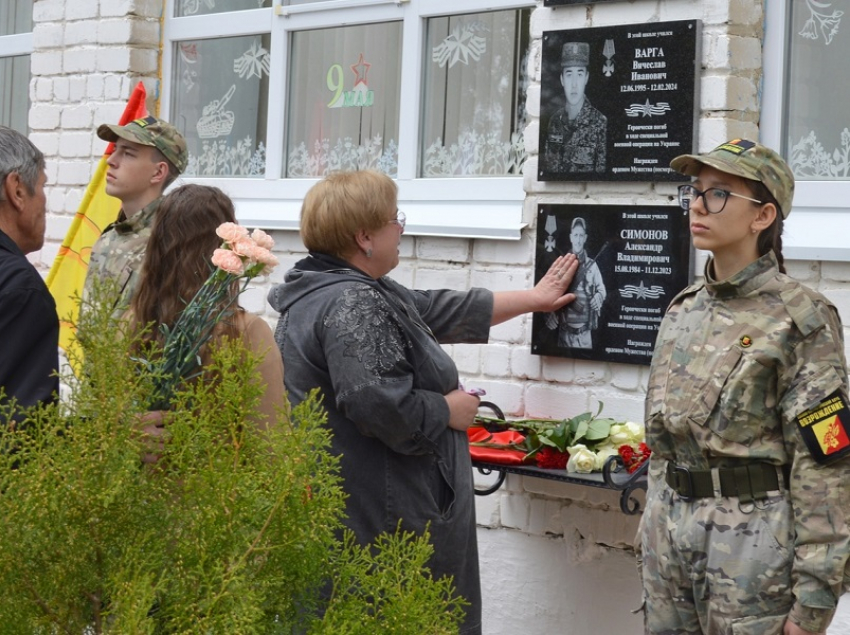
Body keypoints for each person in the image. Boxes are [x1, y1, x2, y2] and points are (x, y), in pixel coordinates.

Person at [268, 169, 578, 634]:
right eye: (396, 220)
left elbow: (436, 308)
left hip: (367, 509)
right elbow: (381, 406)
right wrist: (448, 411)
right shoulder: (352, 303)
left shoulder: (344, 288)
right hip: (384, 520)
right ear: (364, 237)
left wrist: (535, 299)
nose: (402, 228)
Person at [638, 139, 850, 635]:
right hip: (669, 542)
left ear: (762, 216)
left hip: (752, 549)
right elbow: (663, 445)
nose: (696, 204)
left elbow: (827, 462)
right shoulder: (683, 308)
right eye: (694, 190)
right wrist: (651, 526)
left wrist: (814, 598)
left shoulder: (800, 318)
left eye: (718, 194)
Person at [127, 184, 285, 448]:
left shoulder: (130, 324)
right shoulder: (246, 333)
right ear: (223, 247)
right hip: (216, 485)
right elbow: (271, 442)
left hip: (141, 485)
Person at [83, 115, 188, 317]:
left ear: (158, 173)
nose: (111, 161)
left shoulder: (172, 243)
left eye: (128, 154)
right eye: (115, 150)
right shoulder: (109, 238)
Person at [0, 126, 59, 422]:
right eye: (44, 186)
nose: (45, 202)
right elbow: (22, 431)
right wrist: (113, 434)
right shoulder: (19, 288)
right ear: (18, 190)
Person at [543, 41, 607, 175]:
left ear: (586, 78)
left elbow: (602, 175)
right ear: (562, 79)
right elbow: (549, 169)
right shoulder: (555, 121)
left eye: (579, 74)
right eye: (569, 74)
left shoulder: (600, 123)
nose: (574, 84)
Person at [547, 216, 606, 349]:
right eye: (575, 235)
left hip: (585, 335)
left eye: (581, 235)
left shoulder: (592, 265)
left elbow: (601, 289)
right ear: (571, 237)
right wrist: (548, 312)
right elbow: (547, 291)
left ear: (585, 238)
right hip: (564, 334)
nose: (578, 240)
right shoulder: (560, 264)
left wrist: (599, 296)